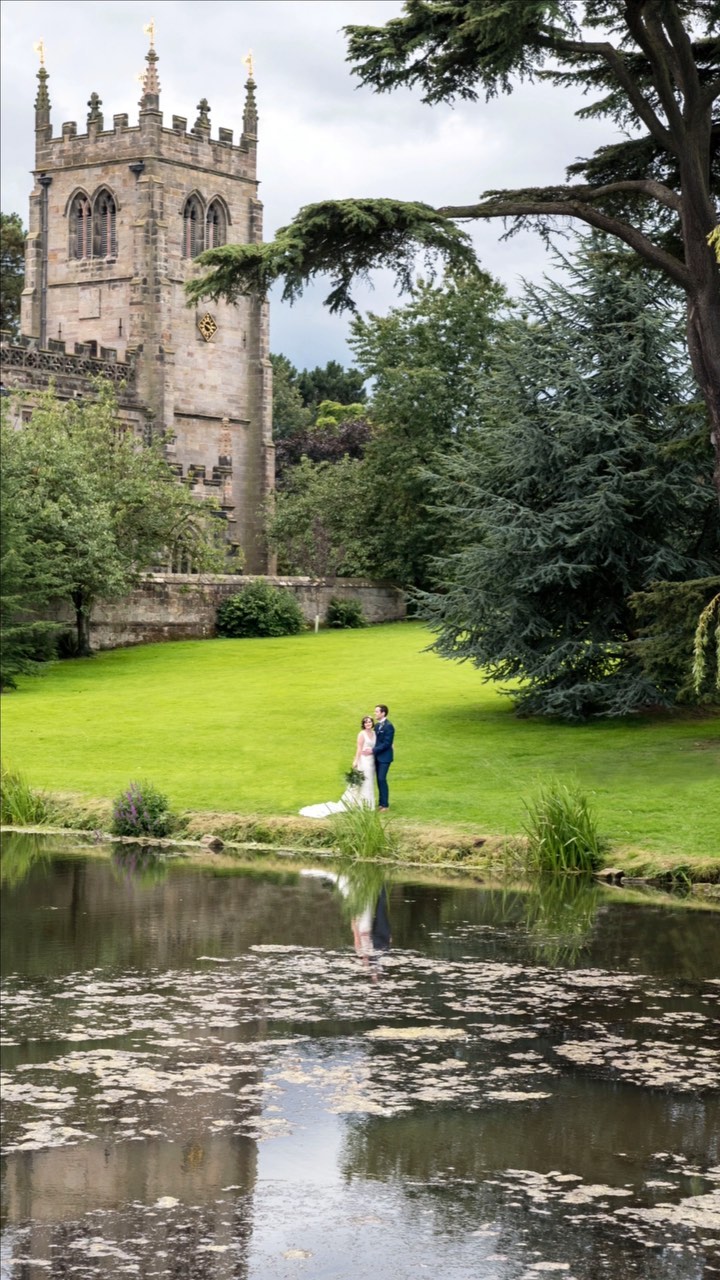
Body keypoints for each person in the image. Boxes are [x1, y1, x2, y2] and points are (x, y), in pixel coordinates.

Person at [299, 714, 376, 818]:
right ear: (363, 724)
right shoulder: (361, 734)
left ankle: (369, 803)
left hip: (371, 761)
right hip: (364, 761)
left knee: (370, 781)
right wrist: (356, 761)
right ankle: (362, 804)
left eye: (370, 722)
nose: (368, 724)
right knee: (364, 781)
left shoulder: (374, 734)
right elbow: (359, 748)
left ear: (372, 723)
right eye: (366, 722)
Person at [372, 704, 395, 810]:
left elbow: (387, 743)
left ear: (383, 713)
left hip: (385, 757)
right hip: (377, 757)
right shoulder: (377, 726)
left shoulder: (389, 726)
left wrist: (373, 750)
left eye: (377, 711)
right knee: (379, 780)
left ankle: (385, 805)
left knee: (382, 779)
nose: (375, 713)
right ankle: (381, 803)